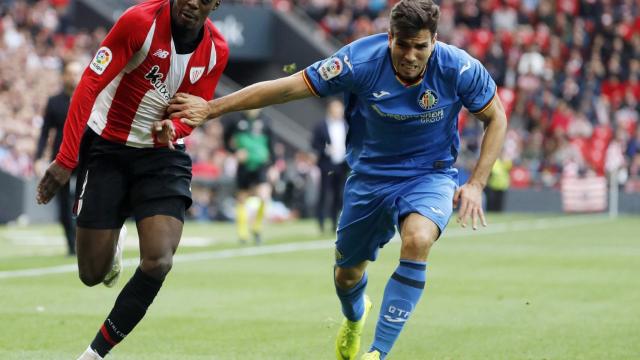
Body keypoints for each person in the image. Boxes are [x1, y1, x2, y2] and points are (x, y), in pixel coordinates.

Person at [166, 0, 507, 358]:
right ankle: (356, 316)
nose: (410, 55)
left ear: (434, 41)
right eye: (402, 44)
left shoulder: (460, 68)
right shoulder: (357, 62)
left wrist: (476, 183)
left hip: (429, 174)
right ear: (389, 37)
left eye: (420, 46)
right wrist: (212, 108)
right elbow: (286, 87)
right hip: (370, 178)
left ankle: (378, 352)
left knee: (418, 239)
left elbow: (495, 117)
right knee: (346, 276)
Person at [35, 0, 228, 358]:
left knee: (159, 260)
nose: (193, 4)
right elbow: (90, 84)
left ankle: (94, 354)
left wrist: (177, 125)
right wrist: (65, 158)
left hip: (161, 155)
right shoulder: (139, 22)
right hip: (106, 147)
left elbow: (195, 110)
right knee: (91, 274)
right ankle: (115, 236)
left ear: (215, 4)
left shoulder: (216, 50)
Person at [34, 60, 83, 256]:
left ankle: (84, 242)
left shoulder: (88, 98)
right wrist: (39, 157)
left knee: (84, 200)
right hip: (62, 159)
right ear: (63, 76)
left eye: (77, 73)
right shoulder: (54, 102)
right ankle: (71, 245)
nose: (73, 77)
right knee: (62, 203)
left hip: (85, 158)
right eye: (70, 73)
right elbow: (45, 131)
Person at [228, 109, 273, 244]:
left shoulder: (266, 120)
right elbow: (226, 139)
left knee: (264, 196)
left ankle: (257, 228)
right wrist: (235, 151)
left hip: (261, 164)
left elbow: (272, 143)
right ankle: (242, 234)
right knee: (242, 197)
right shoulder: (236, 120)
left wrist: (273, 165)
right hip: (244, 166)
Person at [312, 98, 349, 233]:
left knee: (339, 194)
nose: (338, 111)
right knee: (324, 194)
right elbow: (314, 144)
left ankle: (335, 223)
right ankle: (321, 223)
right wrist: (327, 149)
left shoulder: (346, 125)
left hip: (342, 164)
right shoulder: (320, 125)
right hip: (326, 165)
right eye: (335, 108)